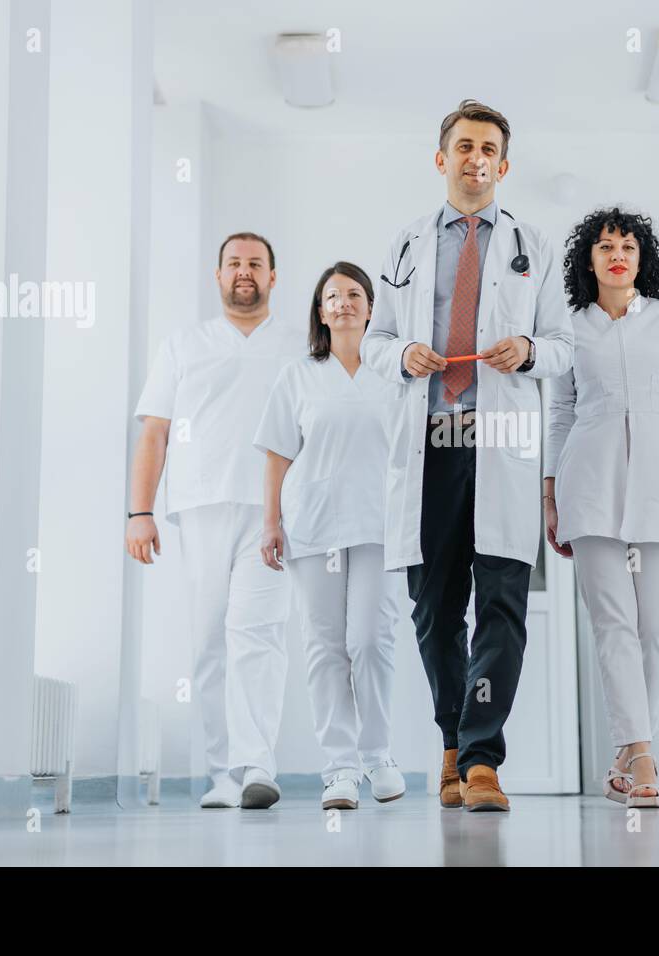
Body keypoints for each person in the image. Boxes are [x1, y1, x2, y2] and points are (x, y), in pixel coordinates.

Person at [360, 99, 574, 811]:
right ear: (441, 157)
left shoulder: (533, 246)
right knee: (433, 608)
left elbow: (565, 347)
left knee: (503, 603)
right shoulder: (405, 243)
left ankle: (481, 759)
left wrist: (533, 351)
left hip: (500, 439)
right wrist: (402, 356)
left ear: (503, 165)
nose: (475, 158)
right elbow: (374, 341)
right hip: (430, 440)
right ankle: (450, 738)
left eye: (488, 148)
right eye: (463, 146)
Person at [127, 232, 305, 810]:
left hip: (275, 511)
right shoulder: (184, 345)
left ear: (273, 277)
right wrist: (139, 512)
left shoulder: (300, 345)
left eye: (256, 263)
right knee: (209, 640)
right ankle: (223, 773)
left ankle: (257, 766)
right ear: (218, 275)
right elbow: (153, 431)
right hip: (200, 507)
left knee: (258, 634)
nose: (244, 271)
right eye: (234, 263)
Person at [544, 208, 659, 809]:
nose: (618, 255)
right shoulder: (569, 329)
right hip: (588, 484)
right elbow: (559, 414)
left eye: (629, 246)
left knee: (657, 625)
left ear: (643, 259)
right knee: (613, 622)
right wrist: (549, 492)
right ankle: (644, 757)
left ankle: (628, 750)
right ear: (588, 260)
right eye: (606, 246)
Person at [254, 262, 406, 811]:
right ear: (321, 311)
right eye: (332, 296)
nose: (343, 303)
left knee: (370, 641)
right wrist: (269, 523)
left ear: (371, 306)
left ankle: (379, 754)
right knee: (324, 647)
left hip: (379, 526)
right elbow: (276, 453)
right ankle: (339, 769)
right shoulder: (297, 375)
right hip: (313, 525)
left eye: (354, 294)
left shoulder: (394, 372)